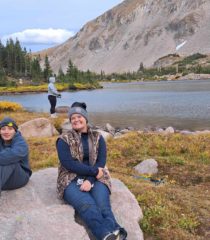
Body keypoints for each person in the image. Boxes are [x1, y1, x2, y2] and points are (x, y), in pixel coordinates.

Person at [56, 102, 127, 240]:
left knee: (103, 206)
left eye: (79, 116)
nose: (76, 120)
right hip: (70, 178)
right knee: (87, 205)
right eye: (73, 118)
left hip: (96, 177)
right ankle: (106, 234)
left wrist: (90, 179)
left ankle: (115, 231)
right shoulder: (63, 139)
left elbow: (101, 161)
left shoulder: (98, 137)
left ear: (85, 118)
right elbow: (69, 164)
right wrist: (94, 172)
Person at [0, 117, 32, 194]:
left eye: (10, 129)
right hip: (3, 179)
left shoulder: (21, 142)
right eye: (3, 129)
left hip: (19, 177)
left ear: (15, 131)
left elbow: (10, 156)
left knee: (9, 160)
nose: (6, 132)